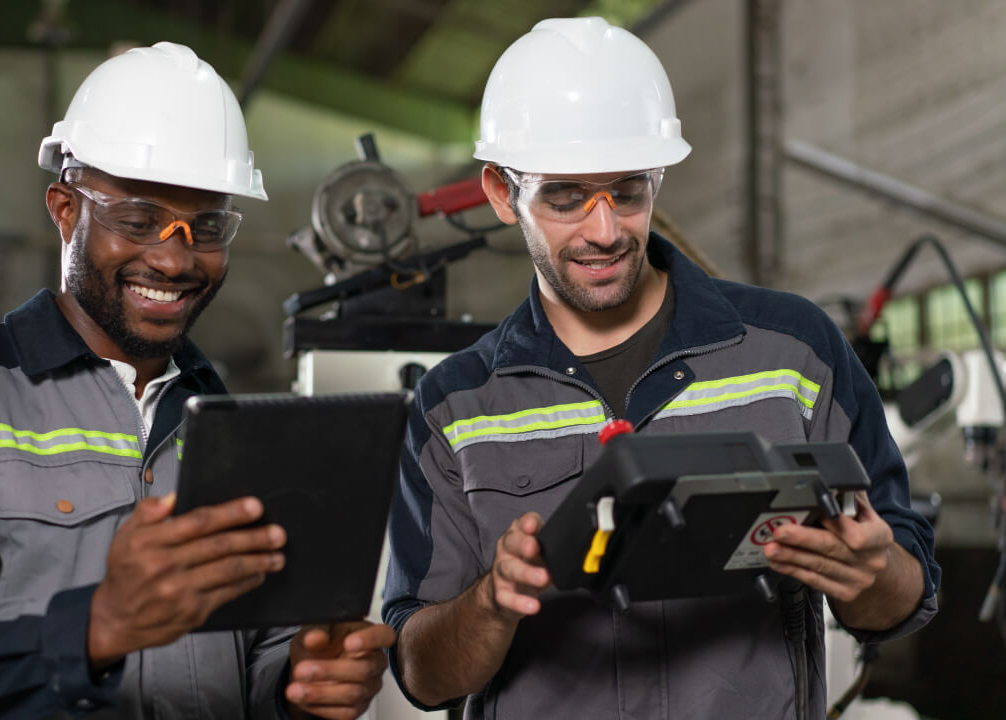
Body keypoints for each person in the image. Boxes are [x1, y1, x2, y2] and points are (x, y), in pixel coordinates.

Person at [382, 17, 939, 719]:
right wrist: (492, 602)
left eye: (629, 189)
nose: (606, 229)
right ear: (500, 192)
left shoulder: (795, 351)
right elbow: (421, 672)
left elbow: (906, 589)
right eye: (565, 196)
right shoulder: (454, 409)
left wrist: (872, 573)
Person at [0, 42, 393, 720]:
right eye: (138, 219)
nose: (174, 256)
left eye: (206, 227)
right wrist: (94, 626)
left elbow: (261, 656)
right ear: (65, 209)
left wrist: (301, 682)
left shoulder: (236, 430)